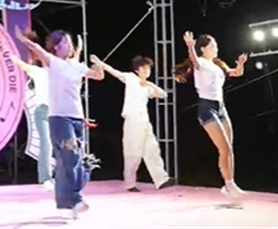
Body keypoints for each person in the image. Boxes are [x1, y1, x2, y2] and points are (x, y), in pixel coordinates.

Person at [15, 28, 103, 219]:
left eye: (70, 42)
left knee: (74, 161)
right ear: (56, 47)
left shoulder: (76, 66)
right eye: (65, 42)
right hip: (60, 119)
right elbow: (37, 49)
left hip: (77, 118)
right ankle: (74, 198)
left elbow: (98, 76)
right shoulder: (53, 63)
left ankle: (68, 202)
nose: (69, 45)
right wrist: (24, 40)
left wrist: (98, 65)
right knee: (71, 156)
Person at [175, 31, 247, 201]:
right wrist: (190, 46)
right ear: (203, 49)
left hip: (221, 107)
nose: (216, 49)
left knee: (229, 148)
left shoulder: (217, 65)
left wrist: (241, 64)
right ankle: (228, 184)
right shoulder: (200, 62)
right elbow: (193, 60)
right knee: (224, 148)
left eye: (216, 46)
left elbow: (236, 73)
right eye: (212, 46)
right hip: (207, 108)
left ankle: (230, 184)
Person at [89, 54, 175, 192]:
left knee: (152, 149)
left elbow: (163, 94)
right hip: (133, 119)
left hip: (144, 120)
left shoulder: (147, 87)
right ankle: (130, 183)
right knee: (133, 152)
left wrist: (148, 84)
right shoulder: (130, 78)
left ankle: (161, 180)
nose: (147, 71)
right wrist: (100, 63)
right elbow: (115, 72)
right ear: (137, 69)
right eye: (144, 68)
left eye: (148, 68)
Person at [13, 31, 54, 191]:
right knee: (46, 143)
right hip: (42, 112)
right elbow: (21, 64)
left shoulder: (59, 72)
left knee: (62, 144)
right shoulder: (38, 72)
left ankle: (65, 175)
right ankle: (45, 178)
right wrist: (10, 55)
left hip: (58, 113)